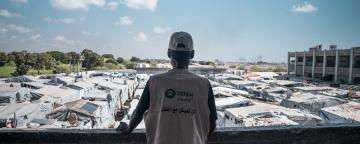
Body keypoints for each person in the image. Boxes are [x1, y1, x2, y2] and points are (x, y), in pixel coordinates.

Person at [117, 31, 217, 144]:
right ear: (192, 54)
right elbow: (212, 124)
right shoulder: (204, 84)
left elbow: (139, 113)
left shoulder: (154, 82)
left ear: (169, 53)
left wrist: (128, 129)